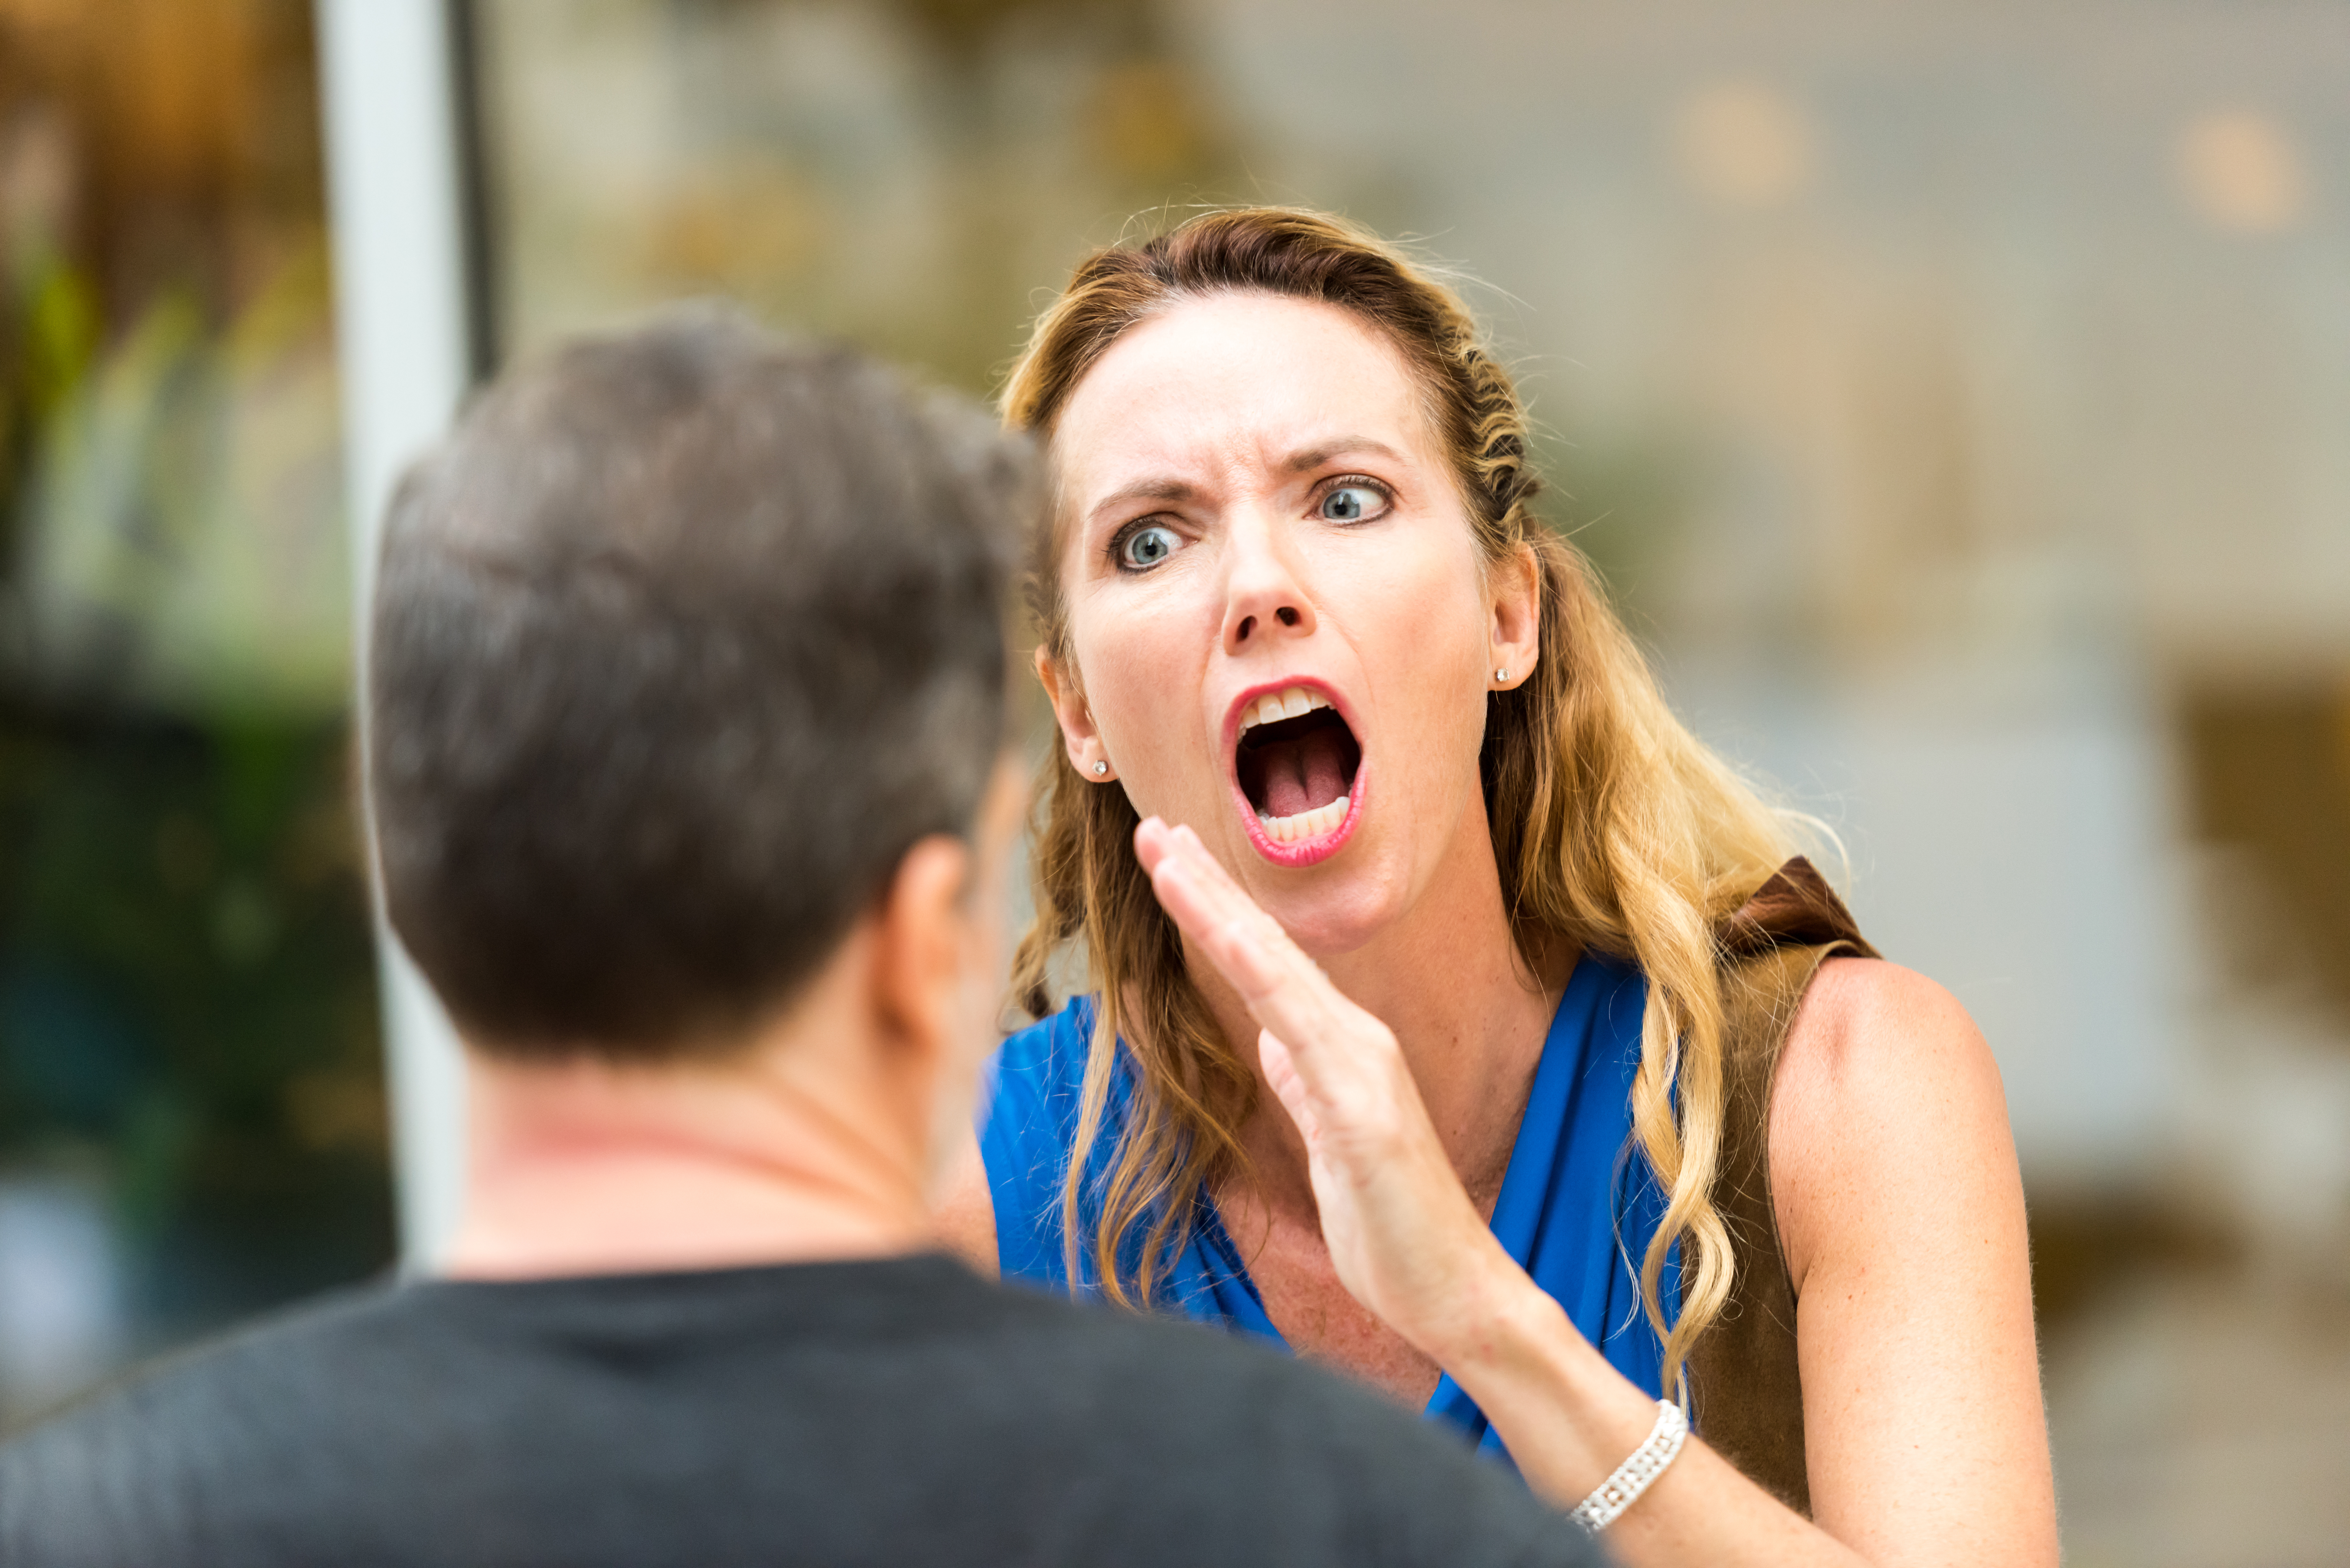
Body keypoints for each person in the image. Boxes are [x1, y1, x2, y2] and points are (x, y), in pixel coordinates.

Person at [0, 313, 1603, 1568]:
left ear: (409, 916)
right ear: (923, 942)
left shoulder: (77, 1527)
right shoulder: (1349, 1517)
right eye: (1150, 538)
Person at [936, 208, 2061, 1565]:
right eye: (1149, 542)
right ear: (1077, 713)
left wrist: (1480, 1314)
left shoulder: (1845, 1091)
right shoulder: (959, 1200)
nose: (1257, 585)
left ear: (1507, 616)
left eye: (1344, 499)